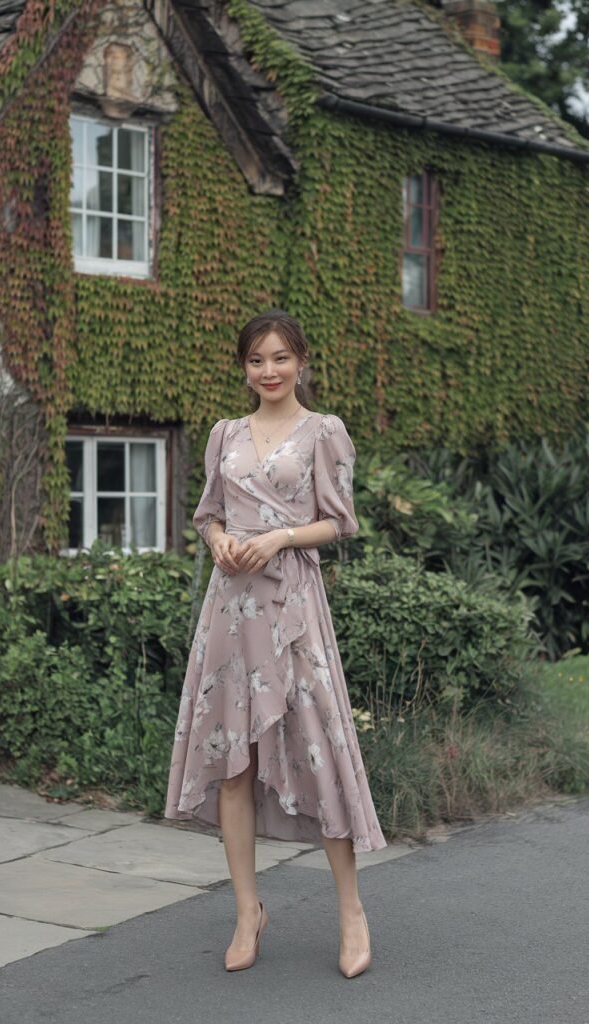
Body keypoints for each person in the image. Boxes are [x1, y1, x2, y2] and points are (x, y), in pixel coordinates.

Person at [164, 309, 387, 977]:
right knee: (233, 764)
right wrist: (221, 541)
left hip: (292, 610)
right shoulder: (224, 433)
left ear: (301, 361)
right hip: (230, 613)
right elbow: (207, 514)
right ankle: (247, 913)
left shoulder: (324, 431)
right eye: (256, 360)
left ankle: (351, 912)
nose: (268, 370)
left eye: (280, 358)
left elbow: (339, 522)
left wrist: (280, 536)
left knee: (318, 754)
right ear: (244, 367)